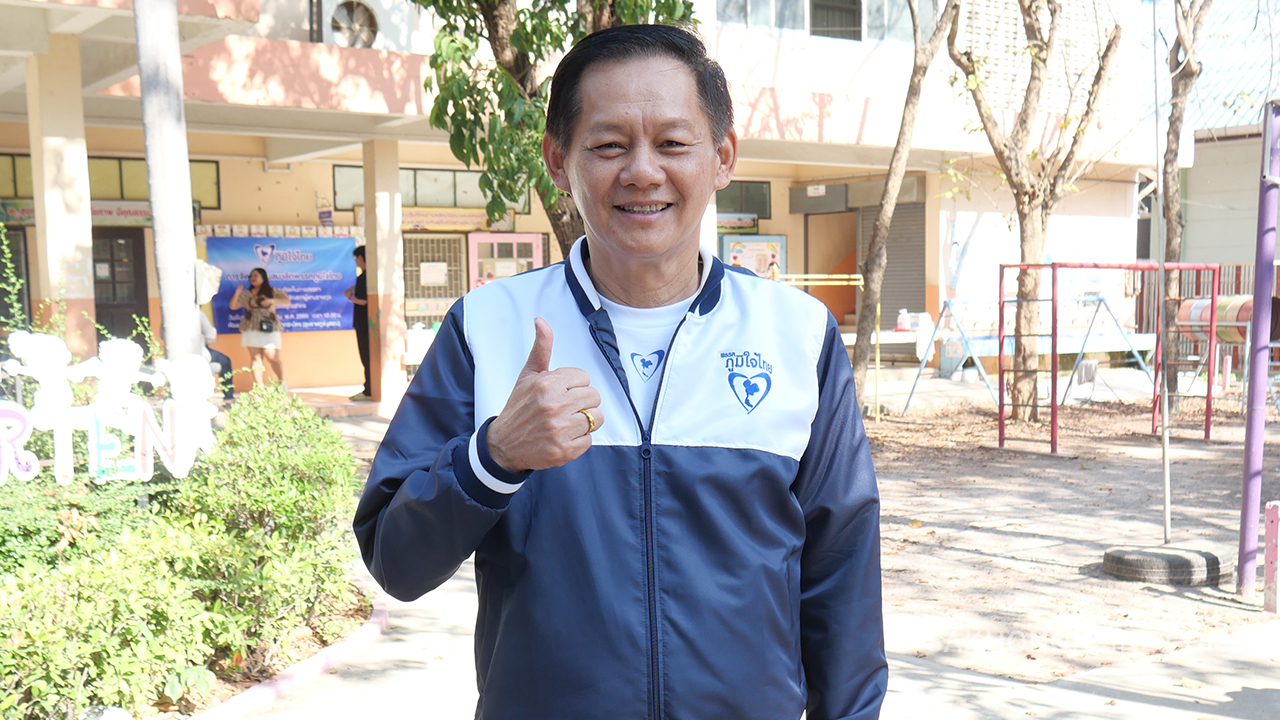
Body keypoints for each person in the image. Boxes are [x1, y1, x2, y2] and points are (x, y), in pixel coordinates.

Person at [353, 24, 884, 720]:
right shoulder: (488, 327)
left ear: (722, 157)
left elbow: (842, 574)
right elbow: (396, 561)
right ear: (558, 160)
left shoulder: (796, 333)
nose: (642, 171)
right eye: (608, 145)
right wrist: (494, 457)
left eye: (673, 143)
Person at [228, 267, 289, 388]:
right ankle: (260, 387)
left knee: (271, 356)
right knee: (256, 358)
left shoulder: (273, 291)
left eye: (256, 276)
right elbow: (233, 306)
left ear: (263, 278)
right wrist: (238, 292)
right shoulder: (247, 293)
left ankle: (281, 382)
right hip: (251, 326)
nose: (253, 278)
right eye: (251, 276)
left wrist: (271, 301)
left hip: (270, 326)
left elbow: (286, 301)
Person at [343, 245, 371, 400]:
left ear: (360, 257)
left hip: (364, 323)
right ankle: (368, 388)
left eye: (356, 258)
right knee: (366, 357)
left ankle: (369, 390)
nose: (356, 262)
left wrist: (351, 298)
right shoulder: (366, 276)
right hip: (363, 323)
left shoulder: (365, 277)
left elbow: (364, 300)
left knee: (366, 357)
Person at [199, 310, 235, 402]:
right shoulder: (198, 314)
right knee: (226, 361)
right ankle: (228, 397)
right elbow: (210, 336)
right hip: (200, 352)